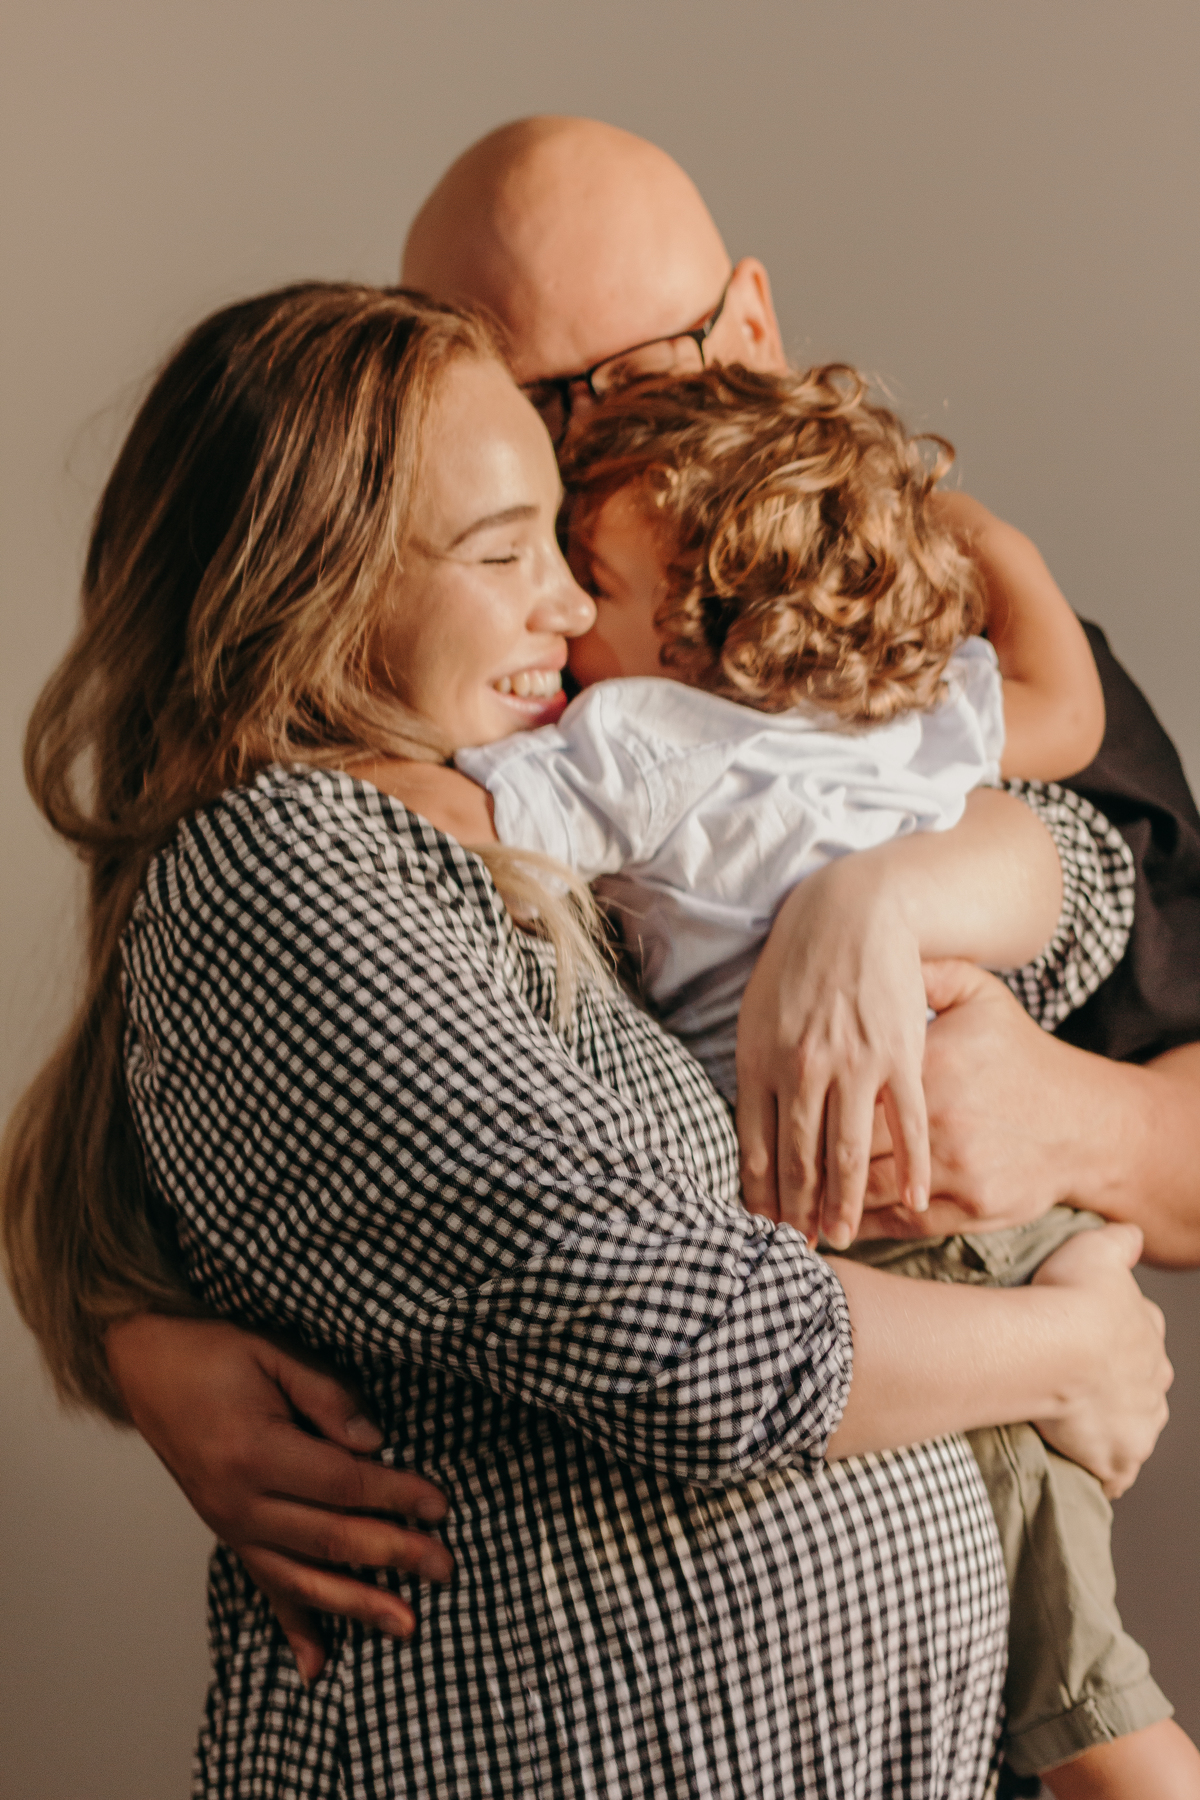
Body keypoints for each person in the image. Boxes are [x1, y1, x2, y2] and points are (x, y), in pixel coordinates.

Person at [59, 116, 1200, 1762]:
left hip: (953, 1602)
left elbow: (1085, 874)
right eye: (525, 406)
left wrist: (906, 936)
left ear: (751, 325)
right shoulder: (475, 704)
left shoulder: (888, 623)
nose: (588, 441)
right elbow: (184, 1087)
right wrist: (131, 1336)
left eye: (630, 378)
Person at [448, 357, 1192, 1791]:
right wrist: (970, 531)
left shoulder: (634, 736)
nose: (562, 610)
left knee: (1069, 1664)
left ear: (689, 624)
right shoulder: (897, 700)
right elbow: (1066, 709)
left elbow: (461, 825)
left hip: (870, 1218)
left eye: (586, 579)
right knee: (1047, 1568)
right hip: (984, 1217)